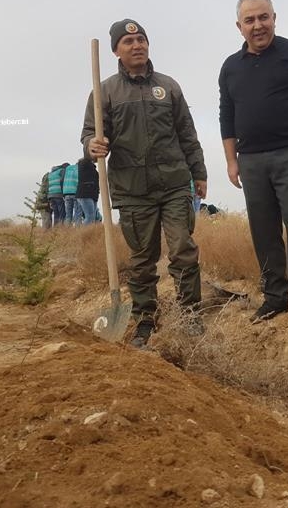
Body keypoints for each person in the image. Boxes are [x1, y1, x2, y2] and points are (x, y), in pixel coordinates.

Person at [81, 18, 207, 348]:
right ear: (115, 51)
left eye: (142, 41)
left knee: (182, 248)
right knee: (141, 258)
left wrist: (200, 173)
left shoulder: (169, 87)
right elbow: (89, 134)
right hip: (132, 189)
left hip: (175, 183)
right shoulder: (105, 91)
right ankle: (145, 319)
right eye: (128, 42)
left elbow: (187, 134)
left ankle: (190, 315)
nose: (137, 46)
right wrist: (92, 145)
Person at [219, 0, 288, 323]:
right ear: (239, 26)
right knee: (263, 230)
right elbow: (226, 114)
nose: (258, 25)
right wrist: (231, 160)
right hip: (250, 160)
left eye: (264, 17)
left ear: (274, 18)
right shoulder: (230, 67)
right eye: (250, 20)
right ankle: (274, 297)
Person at [75, 157, 99, 225]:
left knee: (92, 218)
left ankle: (88, 233)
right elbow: (87, 157)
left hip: (92, 194)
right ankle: (83, 234)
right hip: (85, 193)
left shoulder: (92, 168)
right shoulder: (83, 164)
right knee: (90, 217)